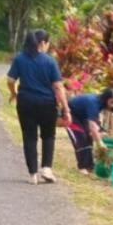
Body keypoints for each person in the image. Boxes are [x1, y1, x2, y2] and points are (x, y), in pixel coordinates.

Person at [7, 29, 70, 185]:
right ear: (42, 43)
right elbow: (58, 87)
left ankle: (33, 174)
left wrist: (14, 93)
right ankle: (47, 168)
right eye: (48, 43)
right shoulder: (49, 61)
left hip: (25, 102)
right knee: (48, 135)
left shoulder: (19, 59)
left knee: (29, 136)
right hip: (47, 104)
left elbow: (10, 79)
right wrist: (66, 109)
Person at [65, 88, 113, 174]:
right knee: (81, 139)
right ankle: (82, 167)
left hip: (82, 116)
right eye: (112, 102)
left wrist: (99, 132)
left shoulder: (101, 103)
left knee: (88, 137)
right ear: (106, 98)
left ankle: (89, 166)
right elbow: (92, 125)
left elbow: (94, 121)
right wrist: (100, 143)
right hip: (70, 114)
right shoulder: (93, 103)